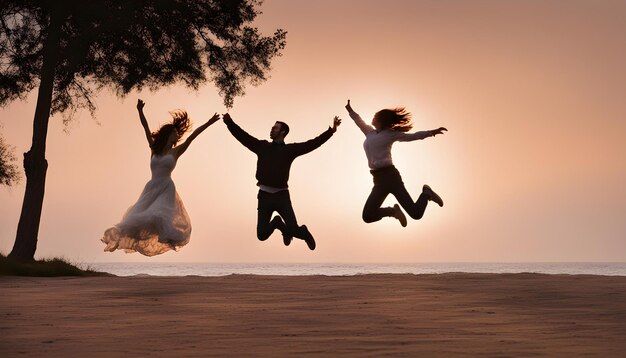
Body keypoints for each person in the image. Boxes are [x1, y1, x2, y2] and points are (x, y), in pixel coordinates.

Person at [101, 99, 220, 256]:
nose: (177, 136)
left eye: (177, 134)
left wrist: (209, 122)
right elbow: (145, 127)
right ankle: (120, 238)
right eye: (175, 134)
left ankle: (167, 238)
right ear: (168, 134)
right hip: (151, 188)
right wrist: (140, 111)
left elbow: (193, 137)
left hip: (166, 187)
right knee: (137, 217)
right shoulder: (154, 149)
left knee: (159, 215)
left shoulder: (176, 152)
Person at [222, 113, 341, 250]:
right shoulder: (262, 147)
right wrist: (229, 123)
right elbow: (243, 137)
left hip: (282, 197)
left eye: (275, 128)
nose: (271, 130)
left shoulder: (289, 150)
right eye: (272, 127)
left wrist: (331, 131)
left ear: (282, 132)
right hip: (264, 196)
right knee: (261, 235)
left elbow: (311, 144)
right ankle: (278, 223)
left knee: (293, 230)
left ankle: (303, 232)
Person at [344, 99, 446, 226]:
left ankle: (426, 194)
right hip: (378, 180)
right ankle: (393, 212)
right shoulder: (369, 132)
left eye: (375, 116)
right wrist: (350, 110)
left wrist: (431, 133)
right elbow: (359, 121)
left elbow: (413, 136)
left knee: (416, 214)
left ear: (381, 120)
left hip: (391, 177)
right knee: (368, 216)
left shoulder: (391, 134)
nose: (373, 118)